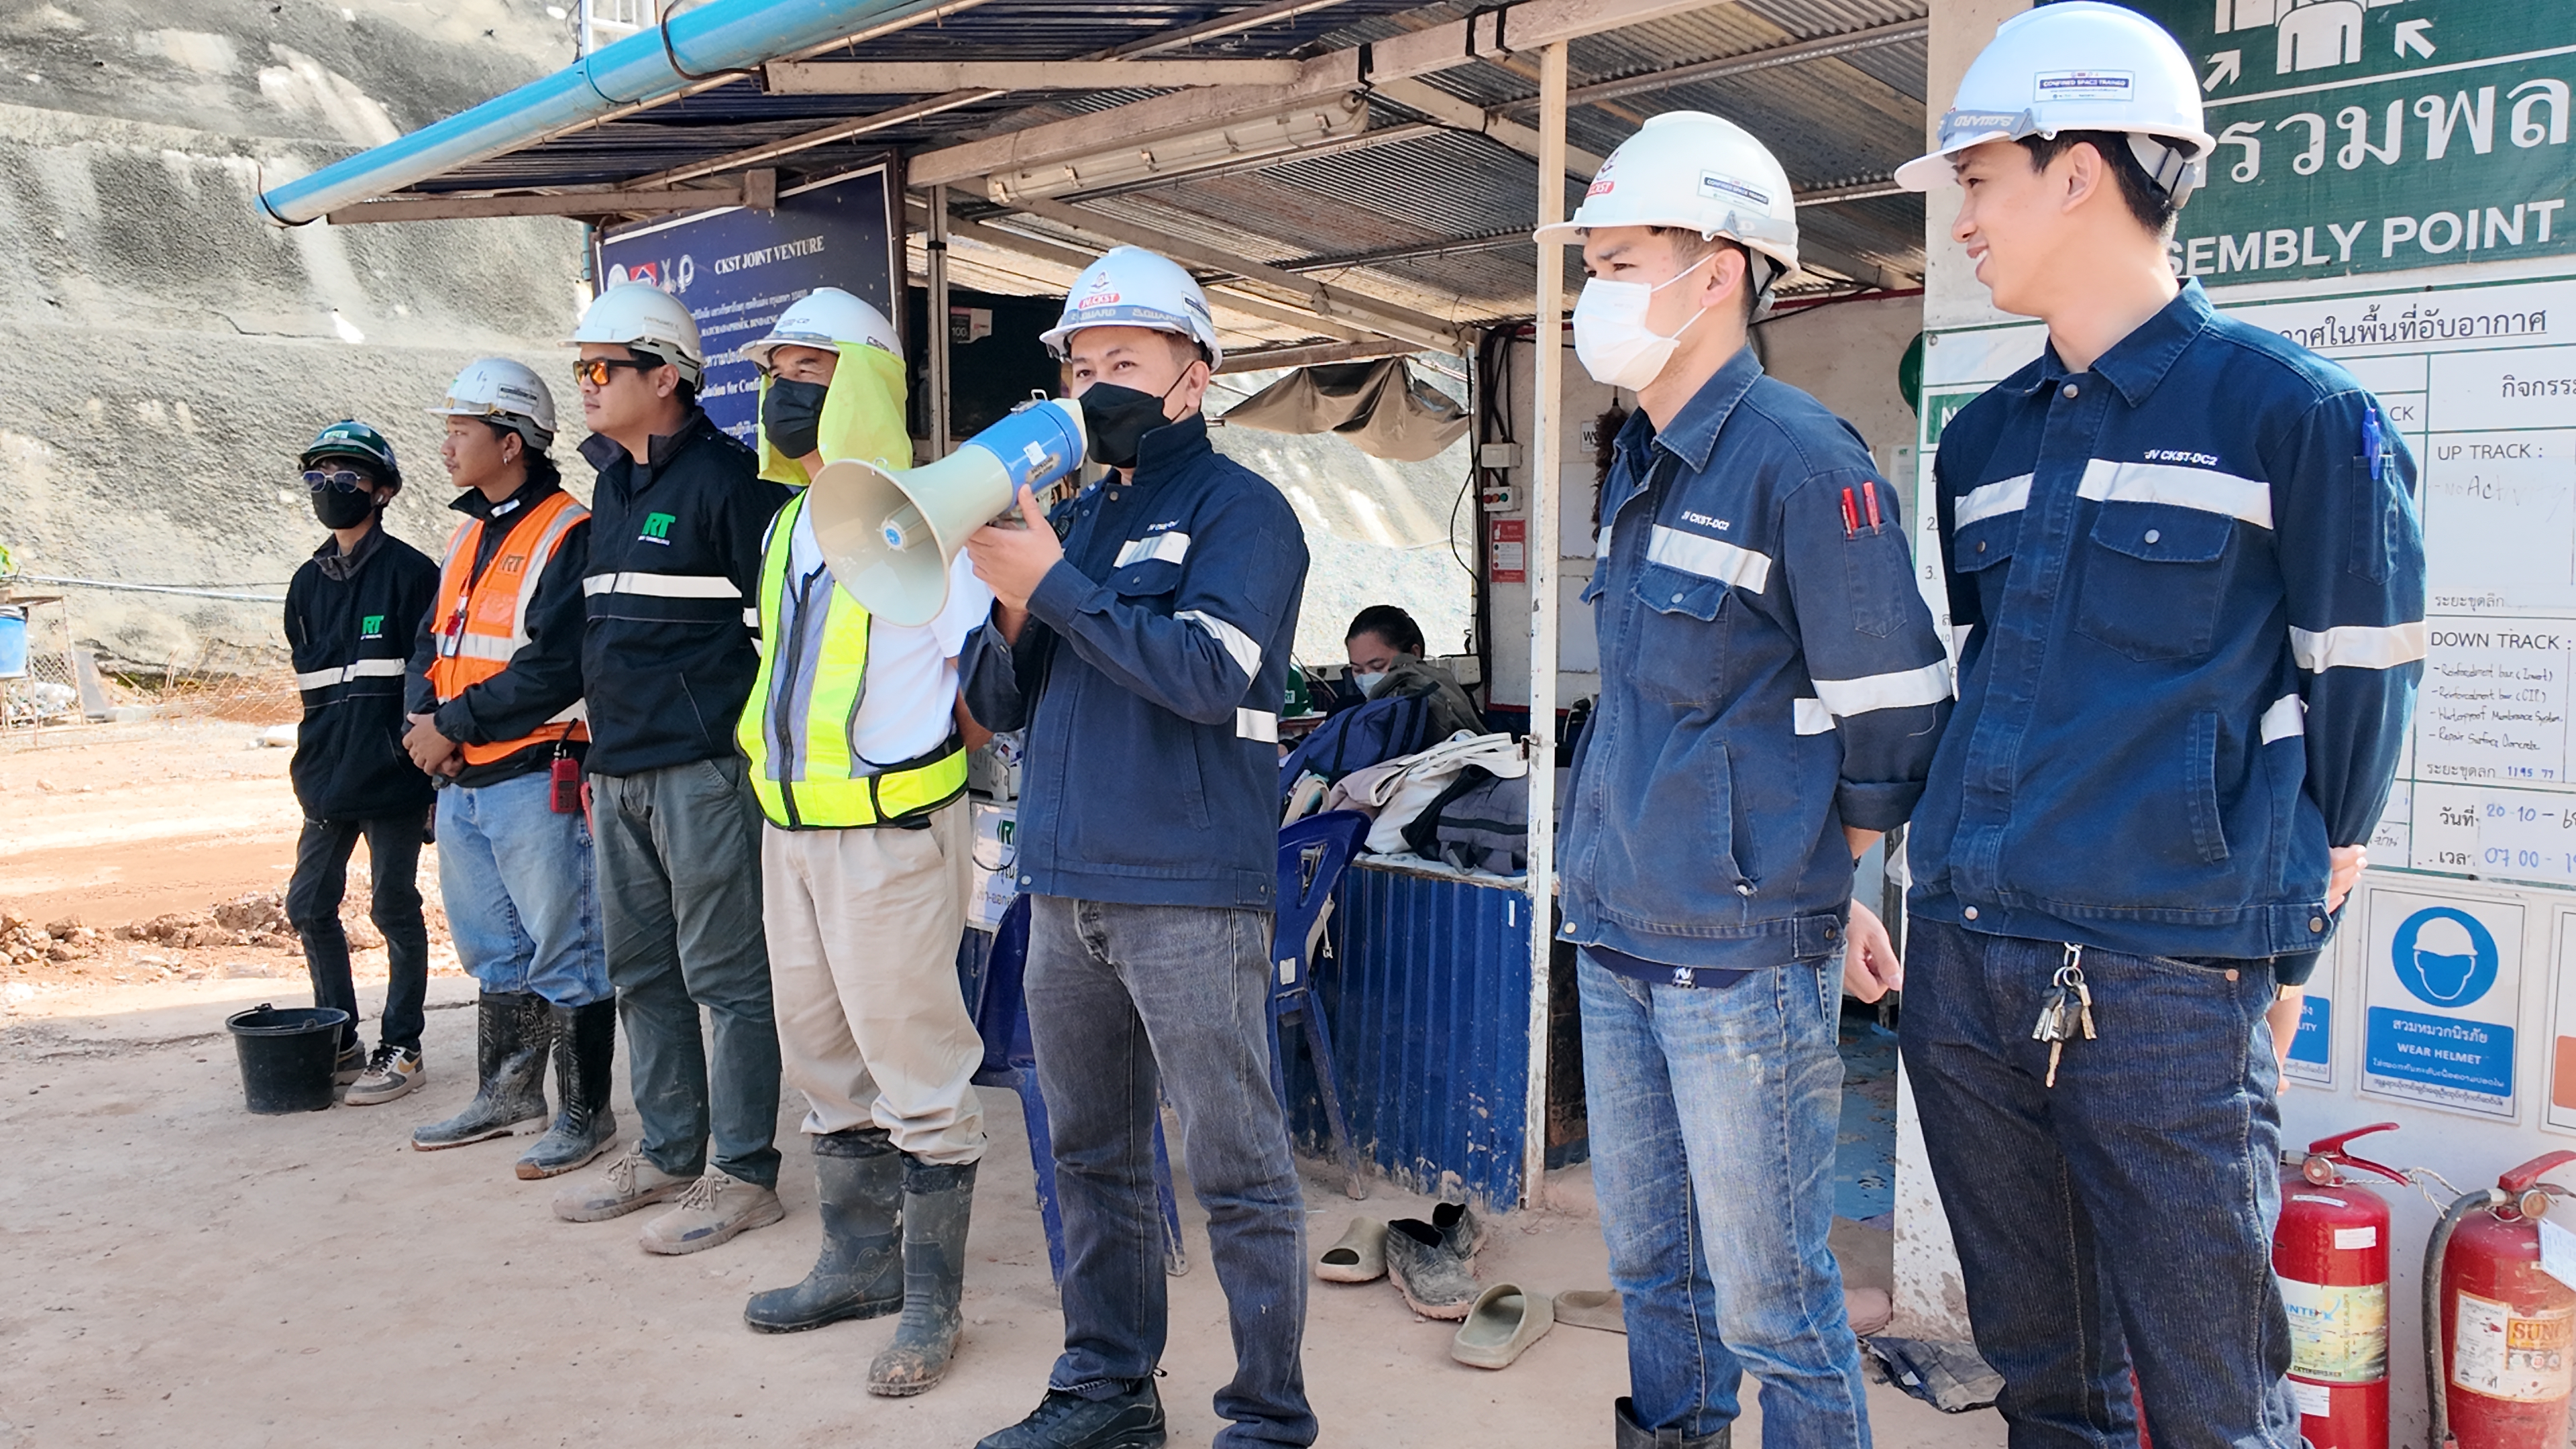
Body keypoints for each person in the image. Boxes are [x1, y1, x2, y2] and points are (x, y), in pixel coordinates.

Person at [1890, 6, 2424, 1445]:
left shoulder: (2296, 416)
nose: (1963, 220)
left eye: (1980, 180)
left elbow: (2360, 695)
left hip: (2165, 984)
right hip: (1968, 958)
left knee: (2211, 1401)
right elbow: (1994, 674)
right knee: (2047, 1381)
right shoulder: (1980, 440)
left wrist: (2283, 948)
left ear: (2078, 172)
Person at [1540, 111, 1950, 1449]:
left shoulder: (1802, 459)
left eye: (1617, 264)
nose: (1594, 296)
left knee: (1773, 1299)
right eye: (1592, 268)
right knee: (1654, 1271)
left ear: (1716, 271)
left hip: (1738, 956)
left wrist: (1831, 881)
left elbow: (1894, 707)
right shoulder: (1644, 460)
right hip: (1618, 928)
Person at [960, 246, 1314, 1449]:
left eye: (1125, 358)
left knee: (1236, 1163)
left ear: (1192, 377)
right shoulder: (1068, 517)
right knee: (1091, 1155)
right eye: (1081, 363)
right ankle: (1107, 1389)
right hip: (1065, 883)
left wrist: (1055, 583)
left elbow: (1209, 674)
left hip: (1189, 888)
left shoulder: (1243, 513)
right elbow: (997, 704)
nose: (1096, 381)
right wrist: (1017, 595)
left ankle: (1268, 1417)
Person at [729, 289, 994, 1397]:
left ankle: (932, 1303)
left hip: (889, 836)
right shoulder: (789, 523)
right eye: (776, 371)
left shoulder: (927, 520)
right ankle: (856, 1264)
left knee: (917, 1068)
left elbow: (981, 692)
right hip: (792, 833)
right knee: (823, 1060)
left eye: (811, 369)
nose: (785, 390)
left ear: (868, 387)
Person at [547, 282, 797, 1255]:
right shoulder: (613, 488)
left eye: (601, 367)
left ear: (666, 377)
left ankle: (743, 1174)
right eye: (580, 367)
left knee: (727, 977)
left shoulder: (729, 485)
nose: (586, 383)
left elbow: (775, 642)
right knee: (642, 971)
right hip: (620, 774)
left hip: (703, 774)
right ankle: (667, 1152)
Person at [400, 359, 617, 1179]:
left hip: (535, 773)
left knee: (568, 950)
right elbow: (433, 643)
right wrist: (424, 725)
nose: (447, 444)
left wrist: (449, 726)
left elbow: (555, 667)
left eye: (461, 430)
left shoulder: (569, 532)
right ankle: (509, 1095)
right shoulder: (468, 533)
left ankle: (585, 1116)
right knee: (495, 949)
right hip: (465, 777)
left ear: (512, 442)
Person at [280, 420, 439, 1106]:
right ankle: (339, 1035)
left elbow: (430, 679)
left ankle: (403, 1046)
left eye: (348, 477)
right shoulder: (305, 585)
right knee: (308, 903)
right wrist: (309, 773)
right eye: (318, 477)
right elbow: (313, 691)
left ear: (383, 492)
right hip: (326, 779)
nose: (331, 488)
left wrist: (428, 776)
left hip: (394, 778)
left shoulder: (412, 574)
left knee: (392, 907)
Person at [1340, 604, 1481, 739]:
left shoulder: (1438, 698)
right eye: (1357, 669)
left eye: (1378, 666)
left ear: (1413, 654)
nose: (1366, 678)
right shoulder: (1345, 712)